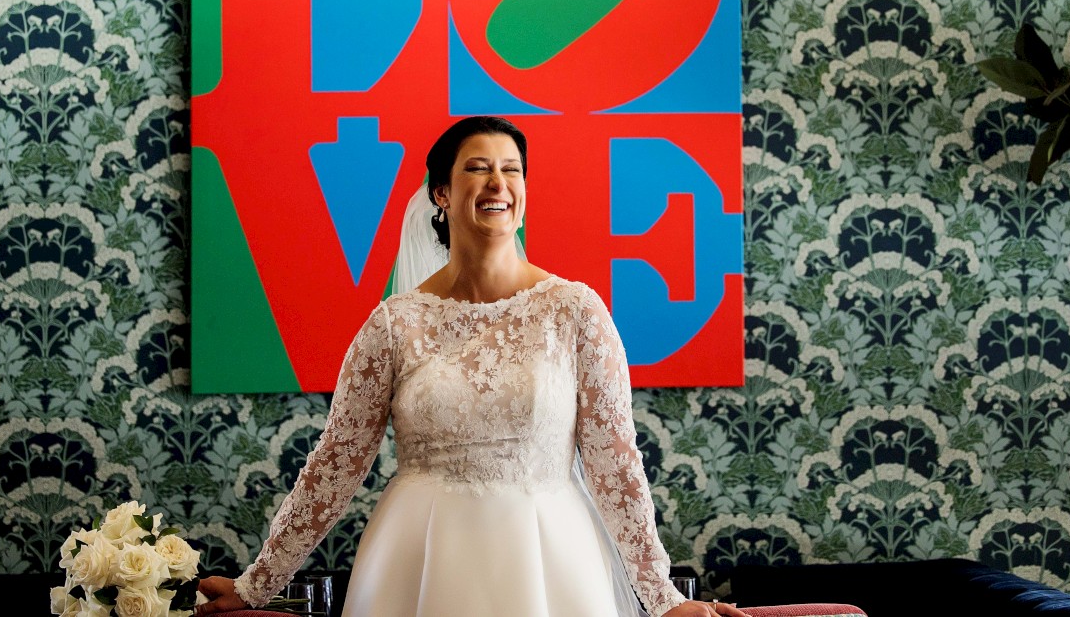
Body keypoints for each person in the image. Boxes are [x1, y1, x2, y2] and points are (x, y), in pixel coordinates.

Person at [196, 116, 747, 617]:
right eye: (478, 169)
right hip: (417, 556)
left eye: (512, 170)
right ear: (441, 192)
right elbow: (335, 467)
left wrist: (664, 598)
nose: (497, 184)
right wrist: (256, 584)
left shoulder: (575, 311)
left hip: (550, 556)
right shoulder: (394, 325)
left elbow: (616, 465)